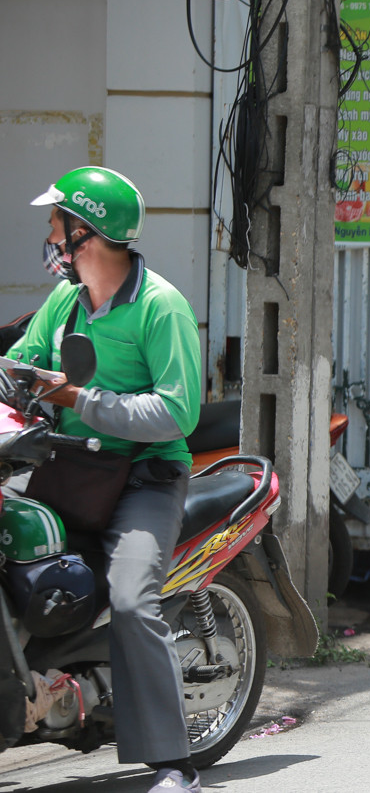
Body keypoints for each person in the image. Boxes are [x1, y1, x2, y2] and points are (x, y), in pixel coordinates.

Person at [7, 167, 203, 791]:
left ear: (83, 234)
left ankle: (174, 761)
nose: (49, 233)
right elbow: (24, 368)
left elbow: (177, 410)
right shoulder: (66, 304)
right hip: (72, 465)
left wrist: (82, 398)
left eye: (57, 223)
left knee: (129, 598)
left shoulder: (160, 306)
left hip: (145, 477)